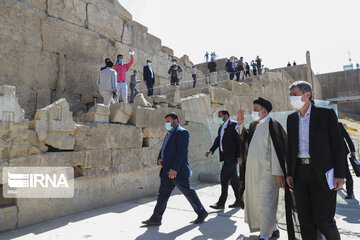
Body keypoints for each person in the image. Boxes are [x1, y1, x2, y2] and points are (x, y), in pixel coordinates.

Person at [286, 81, 345, 240]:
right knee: (305, 220)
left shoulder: (325, 115)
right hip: (299, 174)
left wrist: (340, 174)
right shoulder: (291, 119)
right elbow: (290, 149)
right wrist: (289, 173)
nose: (292, 98)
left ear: (307, 95)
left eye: (295, 94)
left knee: (323, 220)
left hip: (322, 173)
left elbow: (338, 146)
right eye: (290, 95)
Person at [141, 113, 208, 226]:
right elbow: (164, 148)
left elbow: (182, 152)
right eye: (166, 121)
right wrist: (159, 158)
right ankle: (156, 218)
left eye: (168, 121)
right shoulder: (169, 133)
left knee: (188, 192)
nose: (166, 124)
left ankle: (202, 212)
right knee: (162, 194)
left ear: (175, 121)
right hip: (166, 170)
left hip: (177, 171)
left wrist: (174, 169)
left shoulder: (182, 132)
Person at [236, 97, 287, 240]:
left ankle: (265, 236)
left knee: (266, 204)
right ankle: (274, 229)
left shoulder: (273, 125)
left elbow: (278, 150)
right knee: (259, 203)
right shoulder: (254, 125)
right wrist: (240, 125)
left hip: (268, 173)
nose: (253, 112)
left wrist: (278, 173)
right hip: (253, 173)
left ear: (264, 111)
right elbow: (245, 140)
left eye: (256, 109)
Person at [205, 110, 243, 210]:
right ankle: (239, 200)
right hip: (225, 157)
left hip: (232, 157)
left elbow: (239, 141)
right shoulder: (221, 127)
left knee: (224, 178)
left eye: (220, 116)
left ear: (226, 116)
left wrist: (239, 155)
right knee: (233, 179)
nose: (218, 118)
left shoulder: (234, 125)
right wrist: (211, 150)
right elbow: (218, 140)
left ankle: (221, 203)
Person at [338, 122, 356, 199]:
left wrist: (352, 150)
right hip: (329, 153)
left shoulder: (339, 125)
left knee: (346, 171)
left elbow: (347, 137)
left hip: (341, 152)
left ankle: (350, 192)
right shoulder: (323, 124)